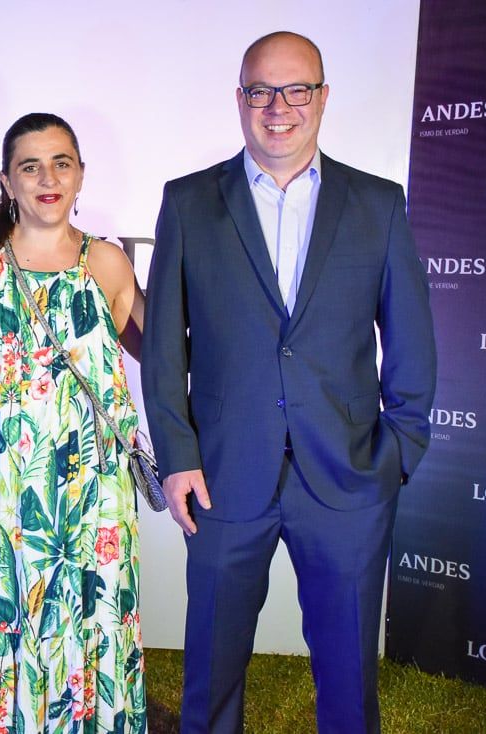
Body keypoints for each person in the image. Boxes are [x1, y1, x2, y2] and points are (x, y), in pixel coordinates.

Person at [142, 32, 437, 734]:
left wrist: (395, 457)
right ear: (240, 99)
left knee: (349, 680)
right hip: (221, 477)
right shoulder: (188, 202)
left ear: (323, 97)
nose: (279, 107)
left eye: (297, 89)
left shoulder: (377, 204)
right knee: (211, 674)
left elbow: (411, 343)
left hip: (347, 479)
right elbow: (163, 348)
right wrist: (177, 457)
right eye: (261, 91)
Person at [0, 113, 148, 732]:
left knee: (90, 620)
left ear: (80, 175)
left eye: (61, 163)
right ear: (7, 180)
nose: (48, 179)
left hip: (91, 494)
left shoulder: (106, 262)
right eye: (30, 166)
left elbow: (160, 355)